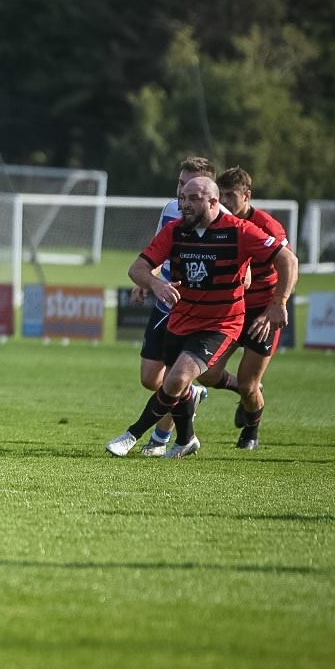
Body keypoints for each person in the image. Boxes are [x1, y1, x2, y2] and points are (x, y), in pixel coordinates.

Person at [106, 175, 297, 460]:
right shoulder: (175, 230)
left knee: (179, 378)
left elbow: (288, 259)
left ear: (213, 201)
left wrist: (279, 302)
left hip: (221, 323)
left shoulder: (240, 230)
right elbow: (137, 268)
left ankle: (132, 435)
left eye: (193, 199)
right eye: (183, 198)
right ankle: (186, 439)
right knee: (180, 384)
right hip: (181, 319)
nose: (185, 204)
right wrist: (156, 284)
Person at [197, 166, 298, 449]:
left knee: (248, 383)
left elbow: (290, 263)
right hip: (229, 309)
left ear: (247, 196)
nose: (226, 201)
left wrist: (278, 303)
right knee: (206, 373)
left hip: (261, 313)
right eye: (222, 195)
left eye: (232, 195)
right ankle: (245, 392)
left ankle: (250, 431)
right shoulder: (214, 223)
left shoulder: (267, 226)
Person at [131, 157, 217, 456]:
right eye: (180, 185)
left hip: (199, 311)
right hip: (167, 301)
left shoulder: (225, 220)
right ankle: (191, 393)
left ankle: (159, 440)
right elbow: (158, 248)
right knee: (150, 379)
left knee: (173, 378)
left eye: (188, 187)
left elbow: (242, 274)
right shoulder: (170, 210)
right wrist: (147, 280)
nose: (181, 194)